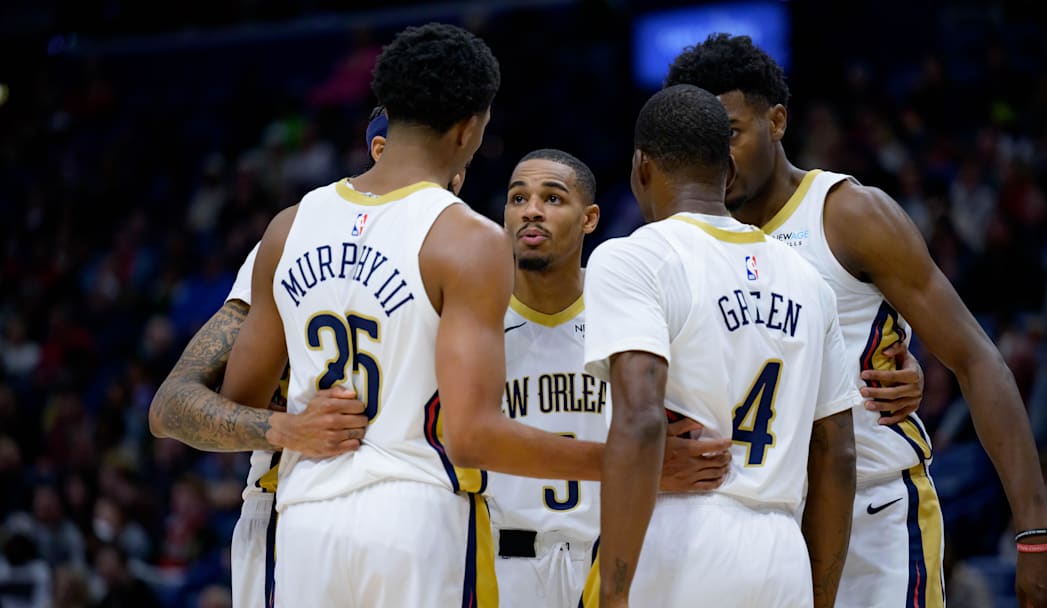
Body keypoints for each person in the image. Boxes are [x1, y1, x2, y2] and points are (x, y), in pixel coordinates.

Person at [218, 23, 725, 606]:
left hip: (305, 518)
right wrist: (635, 467)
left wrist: (294, 425)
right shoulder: (466, 239)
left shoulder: (289, 226)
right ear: (470, 128)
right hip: (415, 515)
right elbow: (473, 437)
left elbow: (240, 400)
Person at [664, 32, 1047, 608]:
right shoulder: (689, 244)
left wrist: (1035, 532)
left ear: (777, 121)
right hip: (760, 528)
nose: (719, 158)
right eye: (703, 141)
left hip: (875, 514)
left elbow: (976, 358)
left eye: (731, 133)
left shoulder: (847, 214)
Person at [583, 84, 858, 607]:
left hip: (680, 536)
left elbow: (641, 422)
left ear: (642, 166)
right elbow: (838, 453)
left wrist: (614, 593)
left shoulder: (635, 257)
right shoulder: (808, 280)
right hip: (783, 552)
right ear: (728, 172)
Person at [147, 107, 395, 608]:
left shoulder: (464, 248)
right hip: (295, 508)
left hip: (414, 510)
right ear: (380, 150)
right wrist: (284, 429)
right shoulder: (294, 241)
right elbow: (169, 406)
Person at [489, 148, 726, 607]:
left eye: (553, 199)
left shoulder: (628, 312)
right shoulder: (475, 316)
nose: (531, 210)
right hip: (502, 560)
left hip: (611, 560)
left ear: (590, 218)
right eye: (518, 199)